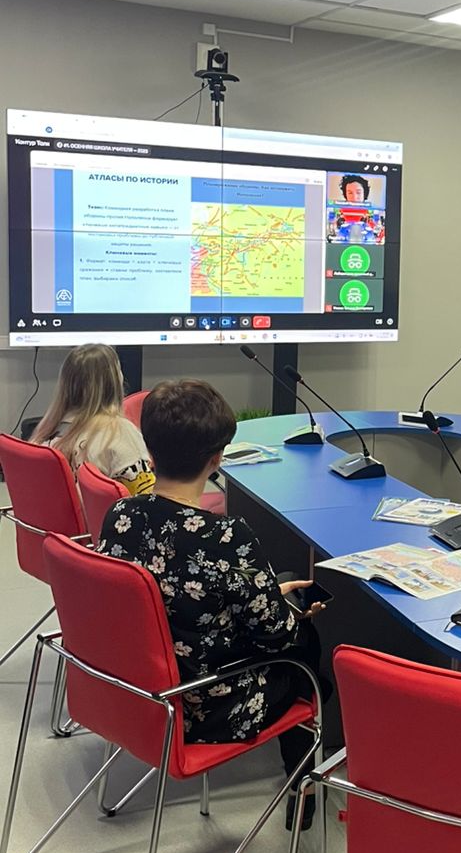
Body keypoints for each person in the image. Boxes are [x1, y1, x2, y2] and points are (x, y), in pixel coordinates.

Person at [98, 379, 326, 827]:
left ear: (150, 447)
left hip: (133, 690)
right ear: (217, 458)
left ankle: (304, 786)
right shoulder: (226, 536)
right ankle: (304, 788)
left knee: (276, 599)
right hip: (202, 707)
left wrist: (263, 593)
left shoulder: (121, 515)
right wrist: (291, 611)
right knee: (306, 648)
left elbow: (166, 595)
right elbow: (275, 636)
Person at [33, 342, 154, 495]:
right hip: (108, 511)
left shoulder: (45, 434)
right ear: (115, 381)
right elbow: (146, 497)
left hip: (61, 511)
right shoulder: (119, 433)